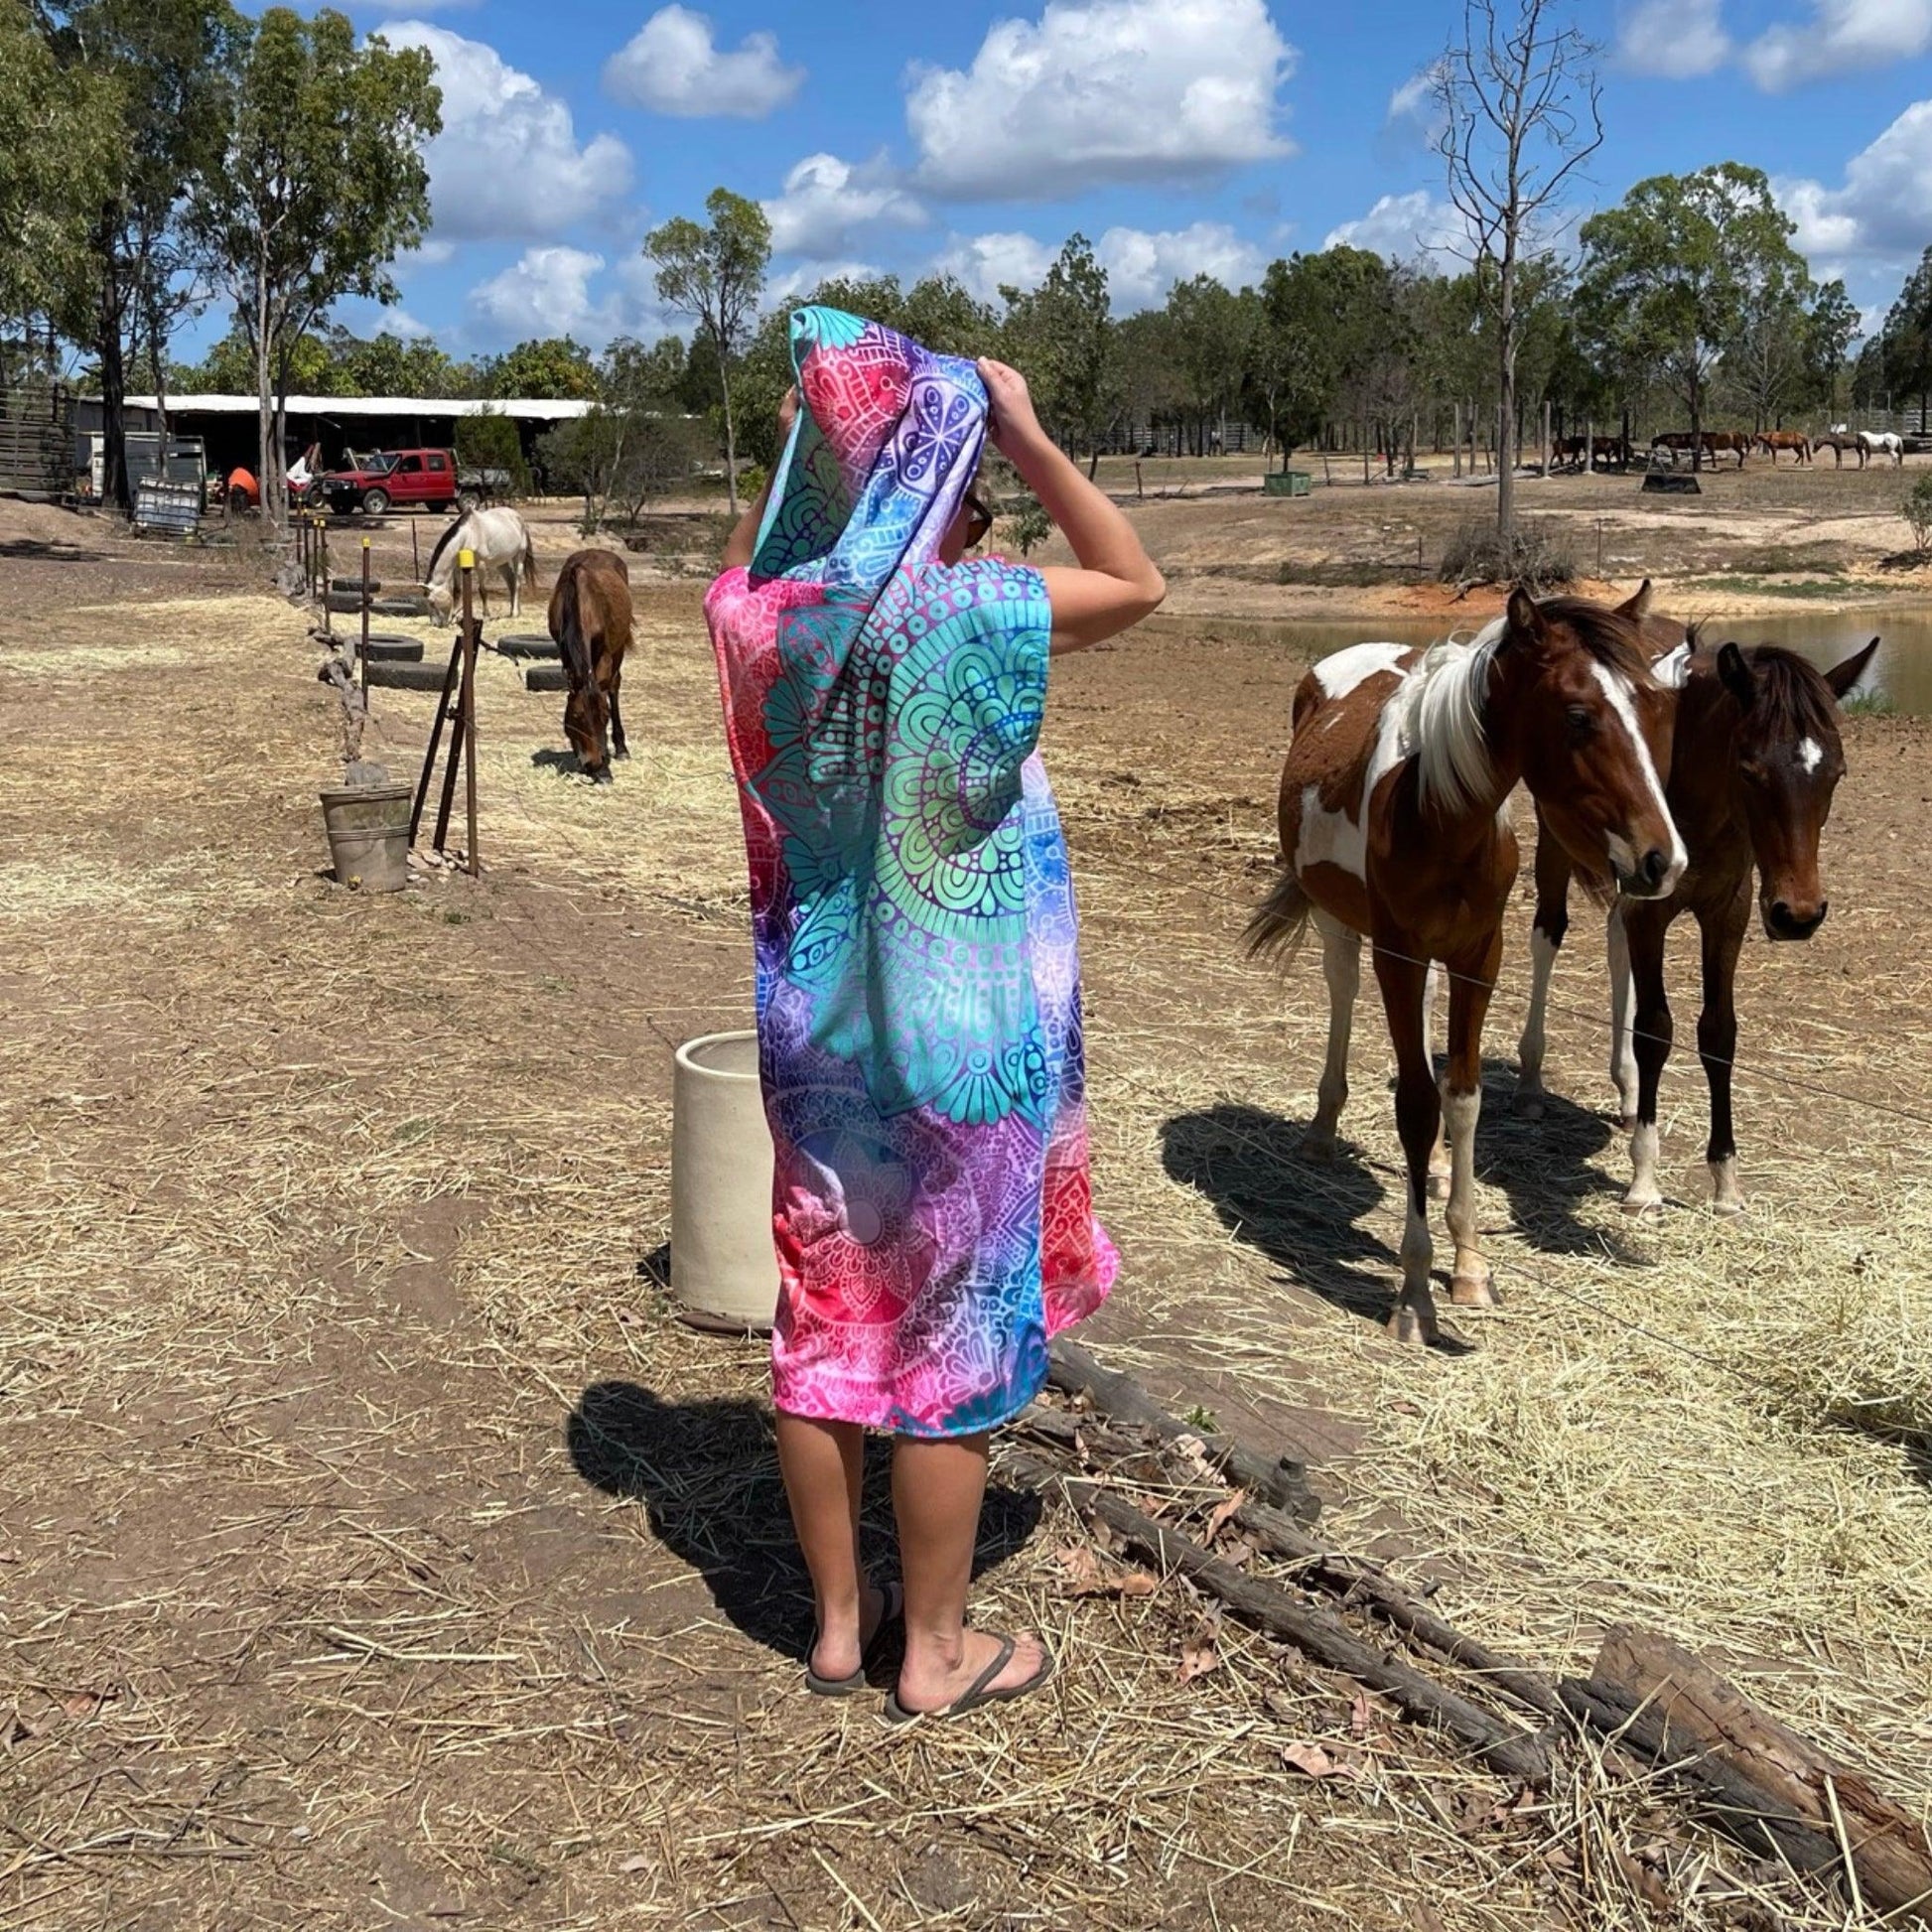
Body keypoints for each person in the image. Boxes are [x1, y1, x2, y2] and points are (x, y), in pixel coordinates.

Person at [705, 310, 1164, 1721]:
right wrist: (1022, 426)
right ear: (949, 478)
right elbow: (1137, 581)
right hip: (963, 1045)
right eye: (973, 482)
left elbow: (788, 536)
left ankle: (839, 1625)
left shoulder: (751, 617)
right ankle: (937, 1650)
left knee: (828, 1316)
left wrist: (838, 428)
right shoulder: (977, 609)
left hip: (813, 1037)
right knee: (947, 1335)